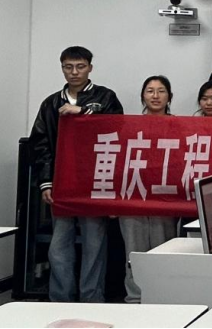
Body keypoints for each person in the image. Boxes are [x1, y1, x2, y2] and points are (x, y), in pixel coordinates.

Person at [30, 46, 124, 303]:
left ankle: (92, 299)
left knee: (94, 243)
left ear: (90, 68)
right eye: (68, 67)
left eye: (80, 66)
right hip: (62, 182)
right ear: (62, 68)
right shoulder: (51, 103)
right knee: (59, 244)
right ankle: (60, 299)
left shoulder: (105, 96)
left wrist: (83, 112)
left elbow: (117, 127)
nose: (74, 72)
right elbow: (41, 144)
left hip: (94, 180)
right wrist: (46, 182)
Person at [120, 76, 179, 303]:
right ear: (142, 96)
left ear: (169, 97)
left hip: (165, 199)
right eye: (150, 91)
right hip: (133, 198)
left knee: (163, 251)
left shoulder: (181, 125)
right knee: (134, 253)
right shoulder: (129, 126)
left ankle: (162, 298)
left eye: (161, 91)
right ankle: (135, 300)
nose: (155, 96)